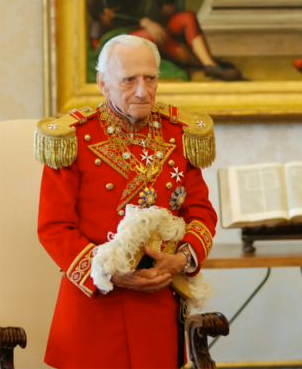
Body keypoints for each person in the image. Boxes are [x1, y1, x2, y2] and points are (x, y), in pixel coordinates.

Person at [36, 35, 217, 368]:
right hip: (95, 309)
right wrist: (113, 273)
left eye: (150, 78)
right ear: (104, 83)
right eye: (129, 79)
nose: (142, 90)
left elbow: (201, 214)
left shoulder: (178, 135)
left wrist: (179, 260)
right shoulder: (73, 139)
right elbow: (54, 228)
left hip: (159, 306)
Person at [88, 0, 242, 81]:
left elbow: (169, 11)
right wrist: (144, 22)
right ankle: (201, 63)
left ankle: (210, 65)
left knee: (187, 18)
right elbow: (105, 18)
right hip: (117, 35)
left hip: (155, 26)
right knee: (152, 36)